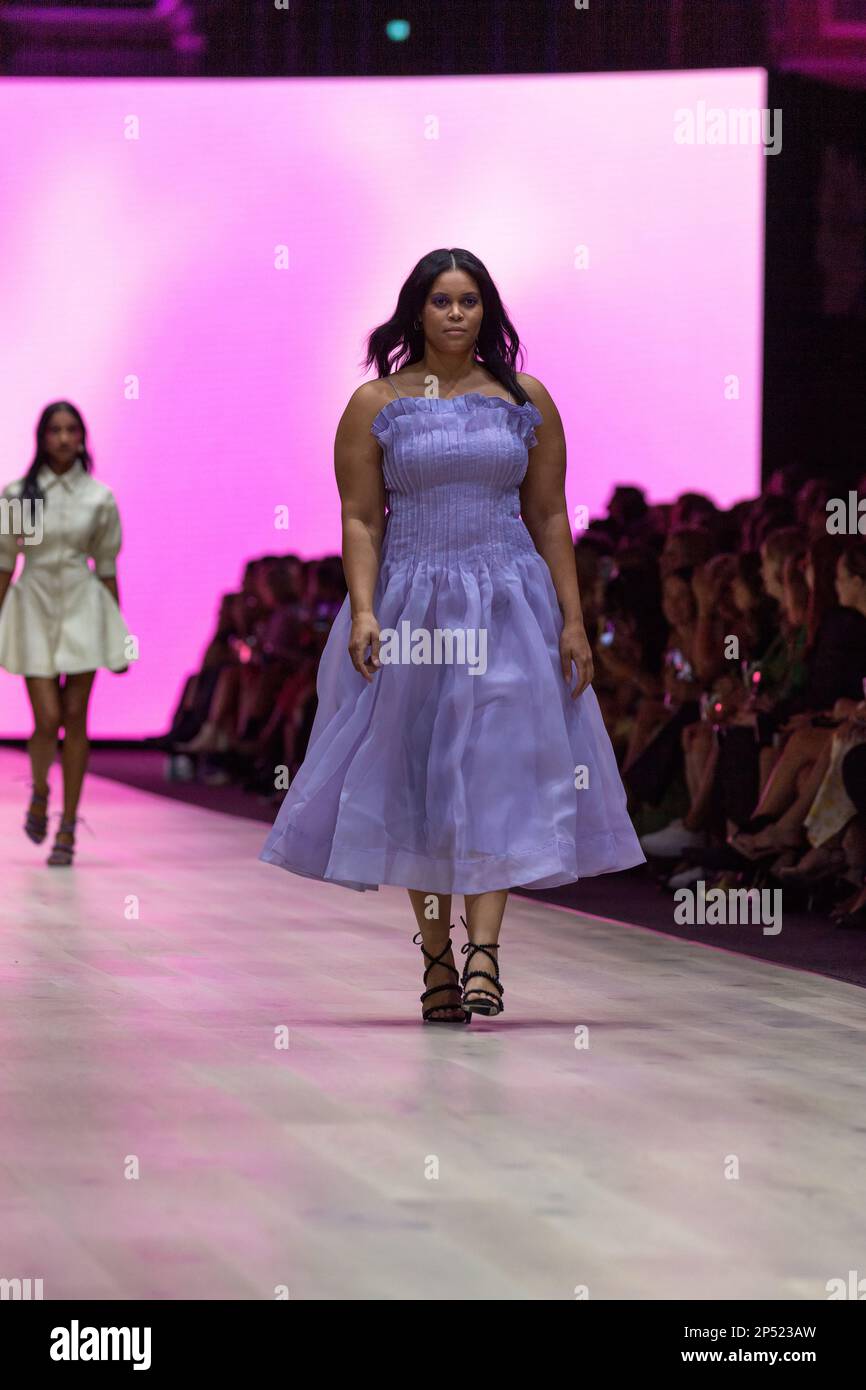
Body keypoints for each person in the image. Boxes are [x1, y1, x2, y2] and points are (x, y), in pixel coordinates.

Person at [259, 247, 644, 1023]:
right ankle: (436, 959)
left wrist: (572, 620)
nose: (457, 314)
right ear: (417, 310)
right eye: (442, 300)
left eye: (470, 300)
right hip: (414, 607)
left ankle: (485, 955)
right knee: (425, 777)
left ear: (488, 311)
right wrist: (364, 610)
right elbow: (362, 518)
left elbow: (549, 517)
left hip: (508, 602)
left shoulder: (523, 398)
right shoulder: (377, 402)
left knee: (497, 767)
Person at [0, 401, 131, 864]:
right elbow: (5, 564)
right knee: (46, 717)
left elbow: (108, 568)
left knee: (75, 719)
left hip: (83, 608)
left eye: (71, 429)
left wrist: (118, 633)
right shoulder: (21, 494)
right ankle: (39, 790)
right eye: (54, 429)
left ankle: (69, 826)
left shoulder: (98, 497)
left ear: (82, 436)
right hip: (33, 606)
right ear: (42, 436)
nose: (62, 437)